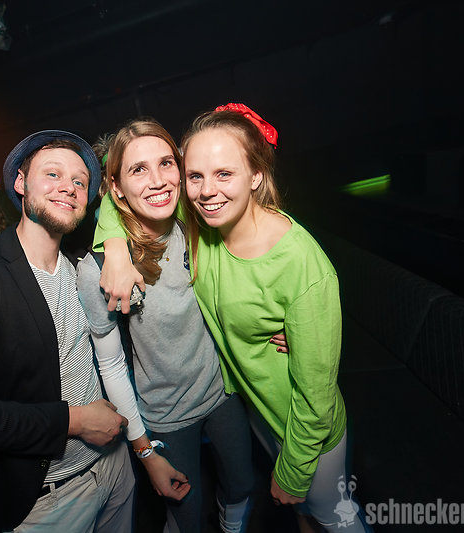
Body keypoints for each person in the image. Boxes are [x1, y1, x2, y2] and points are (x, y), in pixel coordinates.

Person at [95, 104, 367, 532]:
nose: (207, 191)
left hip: (305, 429)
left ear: (256, 175)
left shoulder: (300, 264)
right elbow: (129, 194)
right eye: (195, 176)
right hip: (256, 411)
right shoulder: (204, 224)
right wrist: (113, 247)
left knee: (335, 515)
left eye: (224, 174)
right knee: (306, 518)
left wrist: (294, 471)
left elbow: (317, 398)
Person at [0, 130, 135, 533]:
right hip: (46, 501)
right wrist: (74, 421)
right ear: (20, 182)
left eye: (80, 181)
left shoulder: (80, 265)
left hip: (114, 468)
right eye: (52, 174)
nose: (68, 186)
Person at [76, 118, 255, 533]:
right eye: (138, 169)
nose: (157, 181)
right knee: (186, 516)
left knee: (243, 486)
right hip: (166, 414)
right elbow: (111, 366)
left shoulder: (196, 219)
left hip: (222, 391)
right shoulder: (97, 269)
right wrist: (144, 450)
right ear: (116, 186)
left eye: (166, 163)